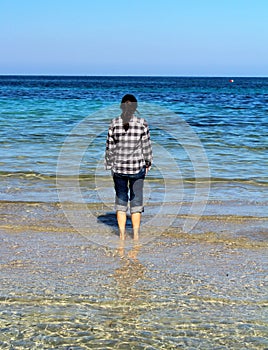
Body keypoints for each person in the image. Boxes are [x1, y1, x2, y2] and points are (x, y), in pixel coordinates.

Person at [105, 94, 153, 240]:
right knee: (136, 201)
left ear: (121, 106)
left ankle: (121, 235)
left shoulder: (113, 123)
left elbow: (109, 147)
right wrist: (148, 162)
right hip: (137, 168)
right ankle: (136, 236)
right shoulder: (142, 123)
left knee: (121, 200)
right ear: (135, 108)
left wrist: (109, 164)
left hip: (119, 168)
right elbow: (146, 146)